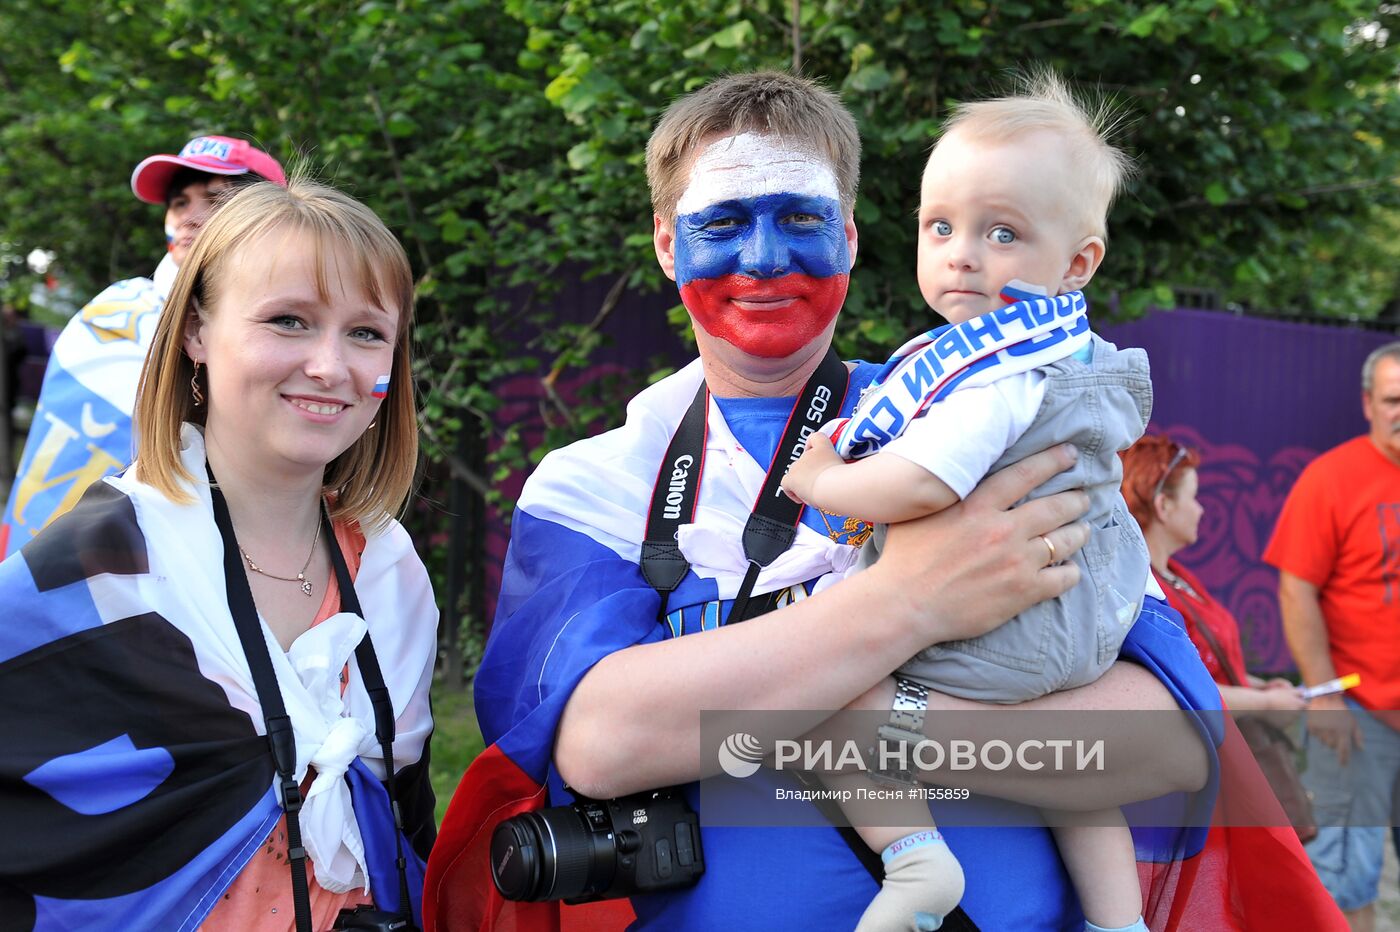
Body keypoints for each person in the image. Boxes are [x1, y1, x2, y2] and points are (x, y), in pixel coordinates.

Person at [423, 71, 1328, 932]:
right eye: (725, 221)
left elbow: (1171, 744)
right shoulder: (596, 483)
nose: (765, 256)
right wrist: (912, 603)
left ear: (851, 238)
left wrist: (849, 722)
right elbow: (601, 743)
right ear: (667, 243)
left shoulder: (985, 417)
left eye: (801, 219)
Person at [0, 178, 437, 930]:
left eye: (367, 333)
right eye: (289, 320)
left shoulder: (391, 569)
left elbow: (403, 811)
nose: (331, 367)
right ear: (197, 334)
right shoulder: (101, 568)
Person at [778, 71, 1153, 932]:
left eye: (1002, 233)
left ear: (1077, 263)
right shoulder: (1070, 354)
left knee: (822, 690)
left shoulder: (995, 373)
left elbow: (922, 484)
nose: (962, 253)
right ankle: (1119, 923)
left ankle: (915, 863)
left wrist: (821, 480)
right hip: (1081, 624)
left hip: (1002, 631)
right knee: (1080, 786)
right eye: (940, 226)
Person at [0, 135, 287, 559]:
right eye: (180, 202)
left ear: (276, 218)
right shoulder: (117, 312)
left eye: (216, 200)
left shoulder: (294, 332)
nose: (192, 216)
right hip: (62, 554)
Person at [1264, 341, 1400, 932]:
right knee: (1344, 876)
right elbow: (1297, 592)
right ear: (1368, 403)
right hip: (1360, 716)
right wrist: (1323, 693)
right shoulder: (1332, 479)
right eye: (1394, 398)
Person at [1121, 435, 1307, 720]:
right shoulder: (1150, 596)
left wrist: (1259, 687)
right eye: (1194, 497)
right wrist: (1266, 703)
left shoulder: (1177, 575)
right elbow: (1180, 691)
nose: (1201, 509)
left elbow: (1209, 668)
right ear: (1163, 506)